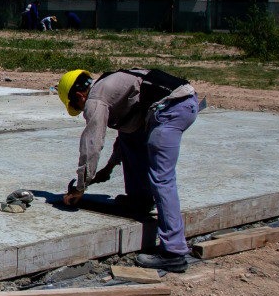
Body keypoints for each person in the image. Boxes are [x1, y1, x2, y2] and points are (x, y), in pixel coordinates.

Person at [56, 67, 198, 272]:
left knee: (162, 179)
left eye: (77, 107)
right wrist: (108, 168)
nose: (81, 112)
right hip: (179, 102)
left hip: (172, 110)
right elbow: (126, 134)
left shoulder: (95, 98)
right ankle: (140, 200)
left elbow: (92, 143)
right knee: (130, 138)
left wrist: (80, 186)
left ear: (79, 96)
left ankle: (174, 252)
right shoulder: (111, 84)